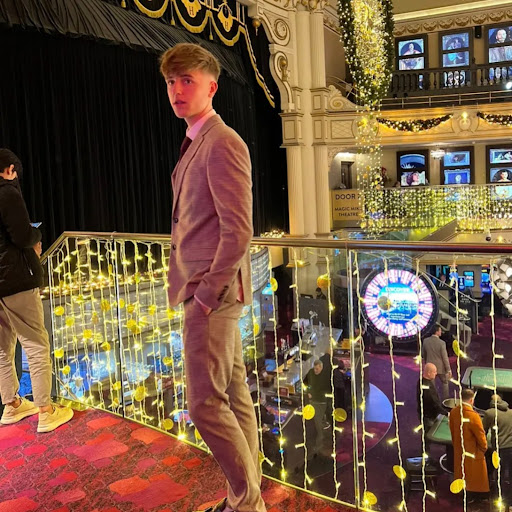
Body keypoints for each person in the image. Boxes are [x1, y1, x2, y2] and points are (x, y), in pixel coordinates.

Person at [160, 44, 266, 512]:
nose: (177, 90)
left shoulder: (222, 142)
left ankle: (247, 504)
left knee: (204, 405)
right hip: (208, 290)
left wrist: (205, 294)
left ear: (211, 87)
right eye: (171, 81)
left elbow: (238, 230)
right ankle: (245, 499)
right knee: (234, 395)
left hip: (211, 292)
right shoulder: (197, 140)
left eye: (187, 80)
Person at [0, 149, 73, 432]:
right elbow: (22, 235)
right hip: (16, 280)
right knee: (36, 343)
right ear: (9, 169)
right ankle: (46, 410)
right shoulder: (7, 192)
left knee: (3, 348)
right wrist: (37, 236)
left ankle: (12, 405)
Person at [449, 388, 489, 499]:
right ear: (472, 400)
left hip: (459, 450)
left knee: (462, 472)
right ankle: (475, 496)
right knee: (475, 477)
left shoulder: (453, 412)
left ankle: (464, 494)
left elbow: (452, 431)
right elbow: (481, 436)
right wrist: (483, 449)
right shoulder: (473, 416)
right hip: (473, 452)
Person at [482, 394, 512, 499]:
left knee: (499, 472)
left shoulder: (489, 413)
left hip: (500, 448)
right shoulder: (511, 412)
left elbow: (483, 430)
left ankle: (499, 496)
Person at [304, 360, 331, 456]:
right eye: (315, 368)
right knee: (312, 422)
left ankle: (319, 444)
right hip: (312, 401)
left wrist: (313, 394)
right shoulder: (311, 372)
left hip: (321, 402)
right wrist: (308, 391)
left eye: (317, 369)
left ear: (321, 367)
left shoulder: (326, 376)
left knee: (317, 422)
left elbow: (327, 390)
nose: (315, 370)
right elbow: (305, 382)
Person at [422, 324, 452, 399]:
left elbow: (423, 354)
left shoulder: (425, 341)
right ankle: (445, 399)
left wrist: (427, 364)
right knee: (445, 383)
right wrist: (448, 369)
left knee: (432, 386)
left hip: (430, 368)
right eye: (440, 331)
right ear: (437, 332)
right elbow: (445, 357)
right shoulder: (442, 343)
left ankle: (434, 399)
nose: (441, 332)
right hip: (441, 367)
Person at [417, 363, 446, 431]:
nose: (436, 373)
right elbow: (434, 403)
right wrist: (447, 413)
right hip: (429, 417)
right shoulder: (427, 388)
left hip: (426, 414)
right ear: (429, 373)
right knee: (430, 433)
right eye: (434, 372)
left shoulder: (422, 381)